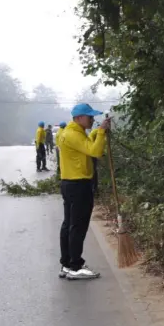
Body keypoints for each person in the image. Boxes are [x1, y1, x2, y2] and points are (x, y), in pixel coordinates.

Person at [58, 104, 110, 280]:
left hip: (69, 183)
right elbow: (95, 151)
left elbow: (86, 145)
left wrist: (96, 132)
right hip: (79, 185)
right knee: (77, 226)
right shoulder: (73, 135)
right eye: (90, 117)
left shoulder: (71, 132)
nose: (92, 120)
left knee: (69, 225)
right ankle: (76, 266)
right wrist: (101, 132)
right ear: (79, 118)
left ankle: (66, 264)